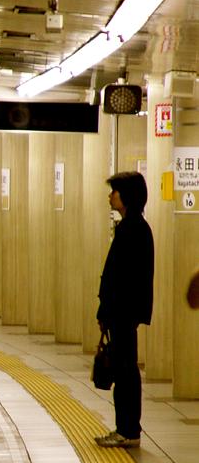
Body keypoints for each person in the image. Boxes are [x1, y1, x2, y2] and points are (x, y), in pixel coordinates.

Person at [95, 171, 154, 448]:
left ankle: (128, 429)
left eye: (114, 191)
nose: (110, 196)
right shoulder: (134, 227)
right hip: (124, 311)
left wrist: (107, 310)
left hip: (123, 311)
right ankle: (127, 427)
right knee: (125, 369)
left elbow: (122, 276)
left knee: (125, 370)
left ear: (126, 195)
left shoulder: (133, 229)